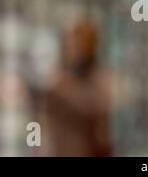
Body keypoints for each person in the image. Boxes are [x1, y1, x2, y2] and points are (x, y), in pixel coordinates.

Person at [42, 19, 112, 156]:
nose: (72, 50)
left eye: (77, 45)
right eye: (70, 46)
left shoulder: (97, 77)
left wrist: (67, 89)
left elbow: (97, 108)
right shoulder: (61, 76)